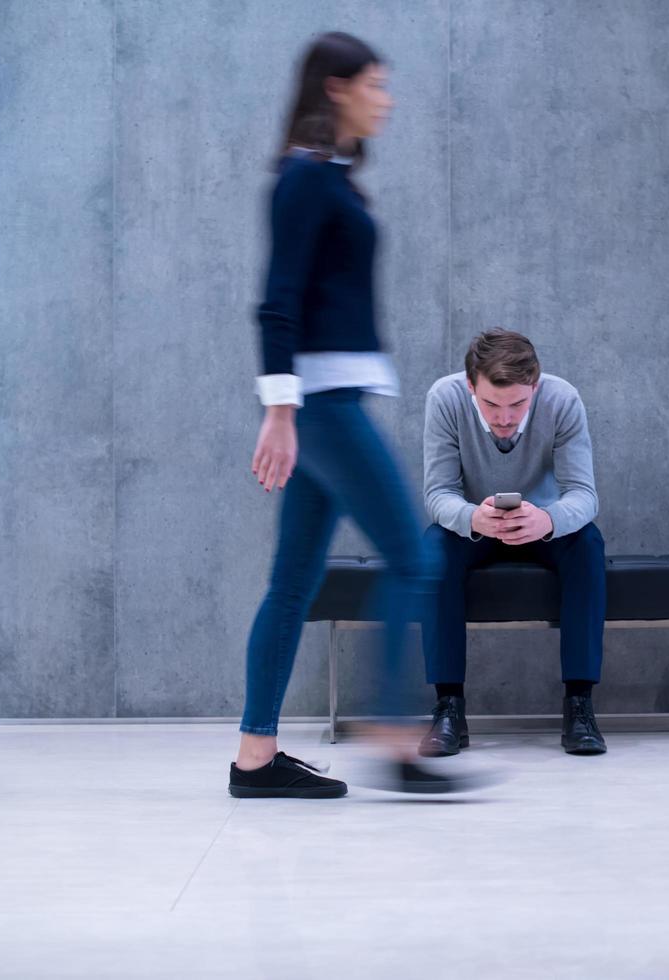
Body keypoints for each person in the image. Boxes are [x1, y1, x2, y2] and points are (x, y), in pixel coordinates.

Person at [229, 31, 471, 799]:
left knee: (293, 584)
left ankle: (255, 761)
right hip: (324, 407)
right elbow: (277, 301)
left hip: (328, 399)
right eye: (376, 83)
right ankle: (397, 741)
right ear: (336, 88)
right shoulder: (304, 179)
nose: (387, 97)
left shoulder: (329, 177)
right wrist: (280, 412)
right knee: (414, 560)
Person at [418, 330, 608, 756]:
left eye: (518, 405)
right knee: (434, 550)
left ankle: (580, 705)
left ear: (534, 387)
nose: (504, 418)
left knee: (588, 545)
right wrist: (473, 516)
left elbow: (584, 494)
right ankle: (448, 707)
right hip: (476, 524)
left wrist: (547, 519)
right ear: (471, 386)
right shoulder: (445, 398)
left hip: (542, 524)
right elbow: (438, 494)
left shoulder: (562, 400)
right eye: (491, 405)